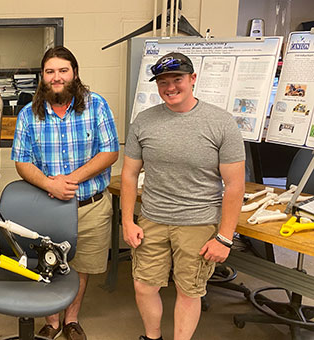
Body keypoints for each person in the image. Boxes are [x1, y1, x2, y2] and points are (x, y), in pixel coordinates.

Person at [121, 52, 245, 340]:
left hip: (198, 223)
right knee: (144, 285)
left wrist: (225, 237)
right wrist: (128, 221)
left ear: (192, 79)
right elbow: (129, 174)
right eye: (163, 82)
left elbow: (235, 185)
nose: (170, 87)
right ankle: (152, 337)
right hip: (152, 219)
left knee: (188, 290)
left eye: (177, 79)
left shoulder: (221, 123)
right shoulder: (144, 121)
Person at [12, 46, 119, 340]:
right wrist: (49, 184)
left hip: (90, 205)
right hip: (47, 206)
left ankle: (71, 320)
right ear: (42, 77)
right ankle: (53, 321)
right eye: (50, 72)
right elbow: (21, 162)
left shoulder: (96, 105)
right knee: (49, 261)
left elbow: (110, 152)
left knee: (80, 266)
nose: (56, 77)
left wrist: (68, 180)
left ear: (74, 73)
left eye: (62, 70)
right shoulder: (28, 114)